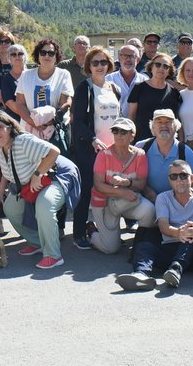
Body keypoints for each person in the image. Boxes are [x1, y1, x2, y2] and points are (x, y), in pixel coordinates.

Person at [0, 110, 75, 270]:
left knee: (44, 205)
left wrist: (37, 175)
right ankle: (38, 242)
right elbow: (0, 159)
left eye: (0, 127)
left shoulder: (23, 141)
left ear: (10, 127)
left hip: (56, 175)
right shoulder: (2, 145)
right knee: (11, 208)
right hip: (33, 181)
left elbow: (54, 152)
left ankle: (53, 255)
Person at [116, 160, 193, 291]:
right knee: (144, 246)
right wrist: (178, 233)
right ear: (169, 181)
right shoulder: (163, 198)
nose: (179, 179)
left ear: (191, 178)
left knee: (190, 232)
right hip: (169, 248)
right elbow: (163, 226)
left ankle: (176, 270)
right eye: (174, 176)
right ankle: (141, 275)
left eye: (183, 175)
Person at [68, 45, 122, 249]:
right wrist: (91, 138)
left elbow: (118, 117)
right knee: (87, 190)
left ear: (109, 65)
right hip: (90, 149)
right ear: (89, 66)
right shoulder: (85, 88)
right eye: (95, 62)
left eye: (103, 62)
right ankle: (79, 233)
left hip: (112, 149)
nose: (100, 66)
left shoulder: (114, 88)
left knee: (109, 190)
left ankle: (106, 230)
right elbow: (78, 120)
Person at [89, 117, 156, 255]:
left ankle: (140, 244)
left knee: (149, 210)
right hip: (105, 203)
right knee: (110, 248)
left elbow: (142, 184)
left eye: (123, 132)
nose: (118, 135)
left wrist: (126, 183)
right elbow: (98, 184)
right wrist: (122, 192)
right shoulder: (103, 155)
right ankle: (91, 231)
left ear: (132, 135)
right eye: (115, 131)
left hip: (128, 202)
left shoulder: (140, 155)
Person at [13, 38, 73, 140]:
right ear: (38, 55)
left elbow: (66, 103)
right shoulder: (25, 75)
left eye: (51, 53)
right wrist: (34, 123)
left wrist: (51, 121)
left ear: (56, 56)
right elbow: (20, 104)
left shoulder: (63, 75)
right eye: (43, 52)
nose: (46, 56)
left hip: (56, 130)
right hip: (29, 131)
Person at [126, 53, 180, 142]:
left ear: (169, 71)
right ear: (151, 67)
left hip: (167, 142)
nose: (161, 69)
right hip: (142, 141)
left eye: (165, 66)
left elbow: (176, 119)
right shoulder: (139, 88)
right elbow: (131, 116)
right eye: (158, 65)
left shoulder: (174, 93)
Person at [107, 44, 146, 116]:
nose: (128, 59)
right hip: (113, 124)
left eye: (132, 56)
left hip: (137, 124)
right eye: (124, 56)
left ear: (138, 60)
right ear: (119, 58)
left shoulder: (145, 81)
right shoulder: (108, 80)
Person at [0, 43, 28, 120]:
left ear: (25, 57)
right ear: (9, 58)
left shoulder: (33, 75)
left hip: (36, 118)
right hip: (16, 120)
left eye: (20, 54)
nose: (17, 56)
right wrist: (29, 117)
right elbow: (9, 102)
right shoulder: (6, 79)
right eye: (13, 55)